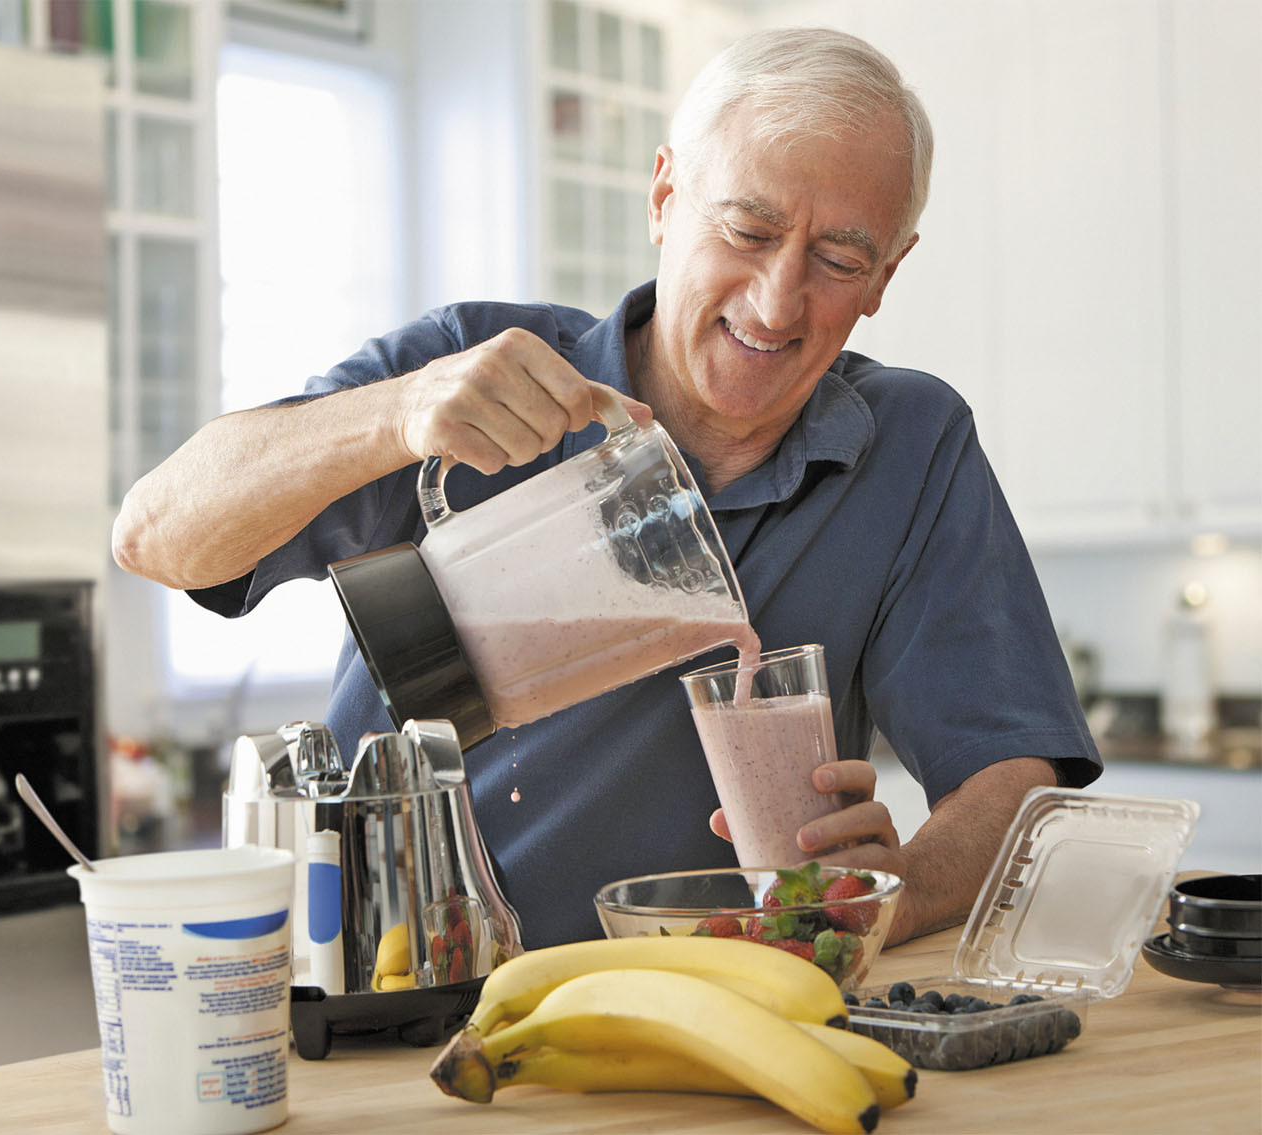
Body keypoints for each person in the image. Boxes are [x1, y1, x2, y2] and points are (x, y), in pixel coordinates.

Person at [112, 27, 1101, 950]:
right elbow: (156, 535)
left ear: (888, 272)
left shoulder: (910, 446)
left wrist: (901, 888)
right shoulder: (467, 367)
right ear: (666, 196)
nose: (777, 300)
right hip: (400, 981)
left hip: (715, 1009)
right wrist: (394, 414)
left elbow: (1015, 770)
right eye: (748, 230)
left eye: (839, 258)